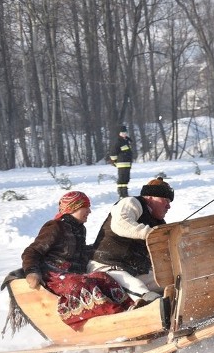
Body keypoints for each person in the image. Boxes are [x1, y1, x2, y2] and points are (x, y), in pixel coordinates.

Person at [21, 191, 133, 328]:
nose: (90, 211)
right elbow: (32, 251)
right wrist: (32, 272)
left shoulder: (80, 229)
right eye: (86, 207)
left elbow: (80, 253)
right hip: (53, 275)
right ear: (74, 207)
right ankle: (114, 316)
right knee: (81, 283)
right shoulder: (55, 227)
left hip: (73, 274)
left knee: (103, 277)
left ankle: (130, 308)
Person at [88, 177, 174, 305]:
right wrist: (152, 234)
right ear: (150, 197)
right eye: (165, 200)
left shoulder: (158, 222)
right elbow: (121, 224)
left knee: (170, 280)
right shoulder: (131, 203)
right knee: (136, 286)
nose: (169, 206)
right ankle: (153, 306)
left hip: (135, 270)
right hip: (106, 266)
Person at [110, 125, 133, 198]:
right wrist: (113, 161)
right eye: (122, 132)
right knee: (122, 179)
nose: (124, 134)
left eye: (125, 132)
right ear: (119, 133)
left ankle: (125, 192)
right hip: (121, 163)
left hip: (127, 163)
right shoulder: (118, 141)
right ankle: (121, 193)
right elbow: (113, 152)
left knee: (126, 178)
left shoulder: (126, 141)